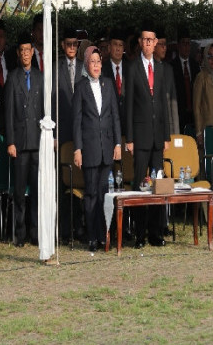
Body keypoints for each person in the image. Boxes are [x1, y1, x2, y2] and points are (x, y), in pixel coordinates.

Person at [125, 23, 170, 248]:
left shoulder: (161, 69)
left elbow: (164, 103)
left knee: (158, 184)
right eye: (145, 40)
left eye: (152, 40)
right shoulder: (132, 68)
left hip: (157, 137)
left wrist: (167, 136)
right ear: (140, 43)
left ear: (156, 43)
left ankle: (156, 232)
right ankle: (139, 233)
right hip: (140, 136)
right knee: (139, 185)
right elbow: (129, 106)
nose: (149, 44)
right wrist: (129, 138)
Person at [73, 46, 122, 251]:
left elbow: (115, 117)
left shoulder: (108, 84)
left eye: (98, 61)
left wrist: (118, 143)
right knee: (91, 194)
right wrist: (78, 149)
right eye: (92, 62)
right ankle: (92, 236)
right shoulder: (81, 87)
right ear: (87, 64)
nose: (96, 65)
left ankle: (104, 236)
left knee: (105, 194)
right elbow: (76, 121)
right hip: (90, 148)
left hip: (107, 148)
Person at [4, 31, 44, 246]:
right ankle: (20, 233)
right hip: (19, 144)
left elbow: (46, 110)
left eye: (29, 50)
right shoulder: (12, 77)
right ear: (18, 54)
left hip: (37, 143)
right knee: (19, 192)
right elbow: (8, 112)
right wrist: (10, 141)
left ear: (32, 52)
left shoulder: (39, 77)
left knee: (37, 191)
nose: (26, 54)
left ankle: (35, 232)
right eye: (22, 50)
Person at [171, 27, 199, 132]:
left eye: (188, 43)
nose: (187, 47)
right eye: (184, 43)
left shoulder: (195, 65)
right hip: (179, 115)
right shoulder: (172, 67)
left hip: (194, 115)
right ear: (178, 46)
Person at [154, 28, 179, 134]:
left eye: (165, 44)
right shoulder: (143, 68)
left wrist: (177, 133)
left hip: (168, 129)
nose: (164, 47)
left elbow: (173, 102)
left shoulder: (169, 69)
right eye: (161, 44)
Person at [101, 28, 128, 126]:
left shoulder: (130, 69)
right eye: (115, 44)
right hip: (110, 125)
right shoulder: (102, 71)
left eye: (120, 45)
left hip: (128, 126)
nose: (118, 49)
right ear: (109, 47)